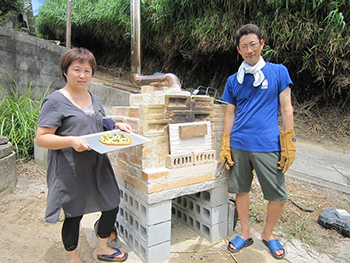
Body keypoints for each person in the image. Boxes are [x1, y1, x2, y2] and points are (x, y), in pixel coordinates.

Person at [36, 47, 130, 263]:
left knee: (111, 202)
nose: (82, 75)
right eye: (77, 69)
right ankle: (74, 257)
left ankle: (103, 248)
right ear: (65, 71)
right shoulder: (55, 101)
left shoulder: (92, 97)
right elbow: (42, 138)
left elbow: (98, 122)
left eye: (87, 71)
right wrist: (71, 141)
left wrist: (115, 125)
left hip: (97, 164)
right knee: (74, 213)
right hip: (70, 168)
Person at [220, 24, 296, 260]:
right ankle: (245, 232)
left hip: (268, 145)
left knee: (278, 195)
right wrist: (225, 141)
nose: (249, 49)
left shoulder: (278, 72)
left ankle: (268, 233)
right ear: (238, 50)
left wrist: (289, 139)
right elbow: (230, 113)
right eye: (244, 46)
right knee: (241, 191)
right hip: (239, 144)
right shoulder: (233, 80)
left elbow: (286, 107)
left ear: (262, 44)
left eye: (253, 44)